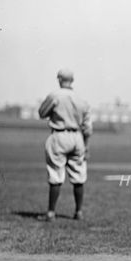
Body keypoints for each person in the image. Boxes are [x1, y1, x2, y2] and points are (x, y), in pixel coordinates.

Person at [37, 69, 92, 222]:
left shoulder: (55, 95)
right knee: (79, 175)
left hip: (59, 135)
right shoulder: (82, 99)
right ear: (72, 80)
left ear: (60, 79)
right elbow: (88, 127)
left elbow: (42, 113)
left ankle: (51, 213)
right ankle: (79, 212)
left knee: (55, 174)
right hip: (77, 137)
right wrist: (86, 146)